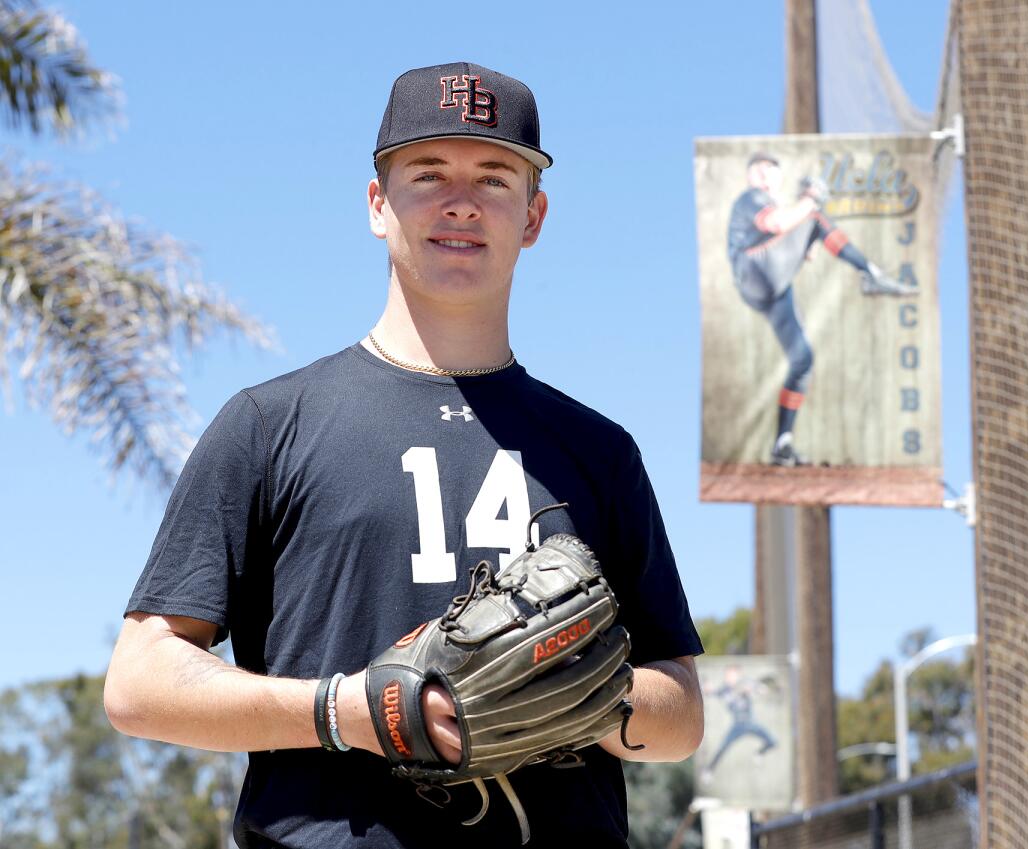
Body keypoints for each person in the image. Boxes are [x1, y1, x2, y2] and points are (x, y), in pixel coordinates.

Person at [104, 62, 704, 849]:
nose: (461, 200)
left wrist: (580, 691)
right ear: (377, 205)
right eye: (428, 173)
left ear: (534, 216)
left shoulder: (598, 450)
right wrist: (341, 709)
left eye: (495, 177)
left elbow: (683, 714)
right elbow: (139, 682)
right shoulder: (268, 424)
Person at [726, 153, 915, 466]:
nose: (769, 178)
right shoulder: (751, 198)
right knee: (814, 216)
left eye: (772, 173)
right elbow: (779, 222)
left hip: (772, 286)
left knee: (802, 360)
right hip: (755, 271)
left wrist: (809, 214)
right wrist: (810, 200)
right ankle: (870, 272)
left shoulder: (769, 202)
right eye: (764, 171)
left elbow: (807, 250)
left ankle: (782, 443)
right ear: (753, 175)